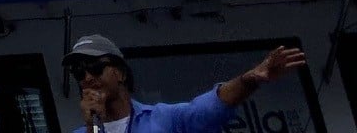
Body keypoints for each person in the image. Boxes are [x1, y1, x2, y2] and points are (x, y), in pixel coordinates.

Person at [63, 34, 308, 133]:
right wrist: (93, 126)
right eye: (78, 72)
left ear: (120, 73)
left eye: (94, 67)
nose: (86, 77)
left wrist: (250, 79)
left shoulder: (163, 119)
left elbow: (209, 109)